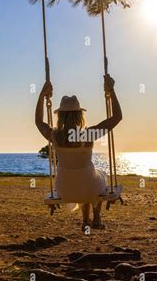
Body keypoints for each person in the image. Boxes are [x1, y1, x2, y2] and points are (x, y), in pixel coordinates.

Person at [35, 75, 122, 230]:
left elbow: (38, 121)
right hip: (89, 187)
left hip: (64, 189)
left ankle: (85, 221)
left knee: (84, 178)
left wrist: (42, 94)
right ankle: (96, 218)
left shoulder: (54, 135)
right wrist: (112, 90)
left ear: (60, 115)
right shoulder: (88, 134)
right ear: (80, 115)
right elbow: (117, 117)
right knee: (97, 175)